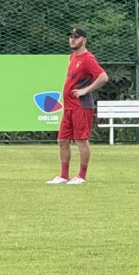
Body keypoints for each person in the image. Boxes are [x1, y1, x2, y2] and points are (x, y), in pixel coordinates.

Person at [48, 28, 108, 185]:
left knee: (81, 140)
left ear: (84, 40)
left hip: (81, 106)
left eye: (76, 37)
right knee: (62, 140)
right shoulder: (73, 57)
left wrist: (85, 90)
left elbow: (103, 77)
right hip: (69, 107)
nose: (72, 40)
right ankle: (63, 175)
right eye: (71, 37)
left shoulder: (88, 59)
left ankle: (81, 176)